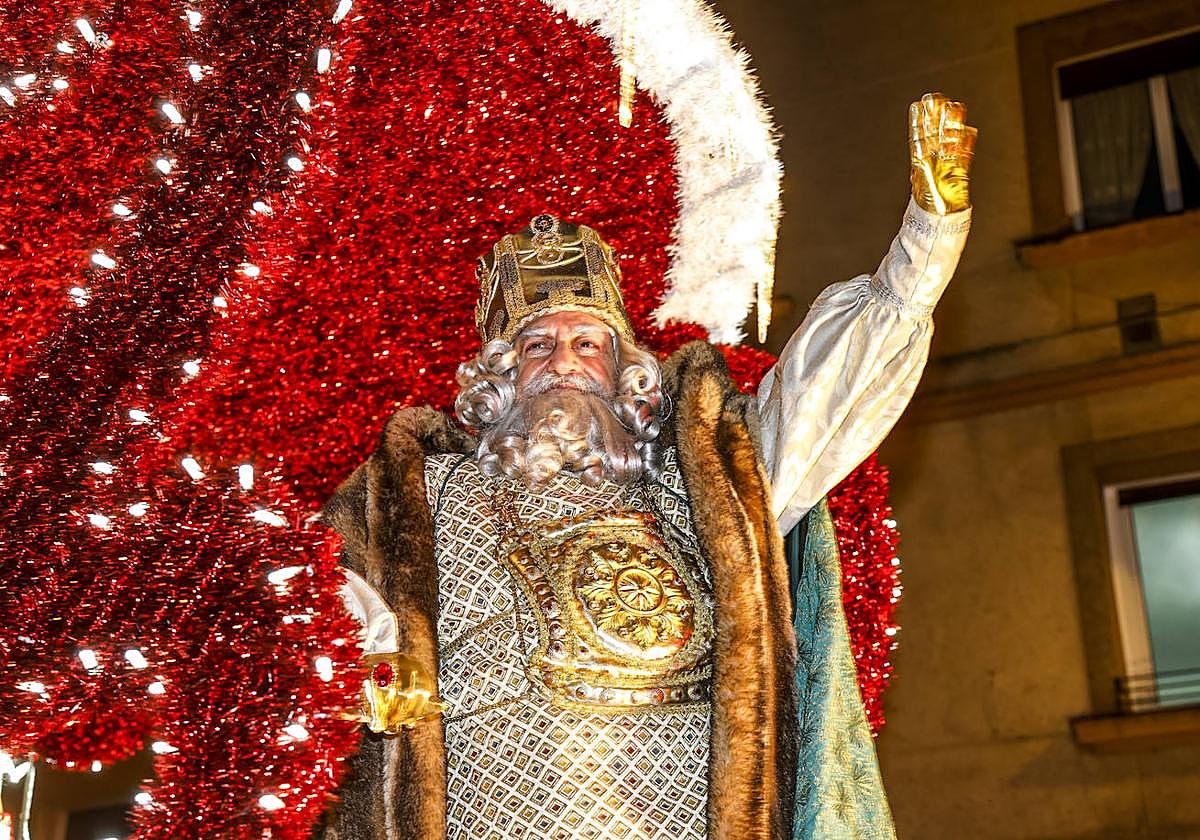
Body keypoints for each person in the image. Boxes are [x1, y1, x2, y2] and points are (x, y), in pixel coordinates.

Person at [321, 93, 976, 840]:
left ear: (624, 370)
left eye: (588, 344)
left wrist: (926, 241)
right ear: (501, 375)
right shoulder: (422, 492)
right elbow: (331, 602)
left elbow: (824, 392)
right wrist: (368, 669)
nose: (563, 362)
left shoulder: (699, 479)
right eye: (537, 346)